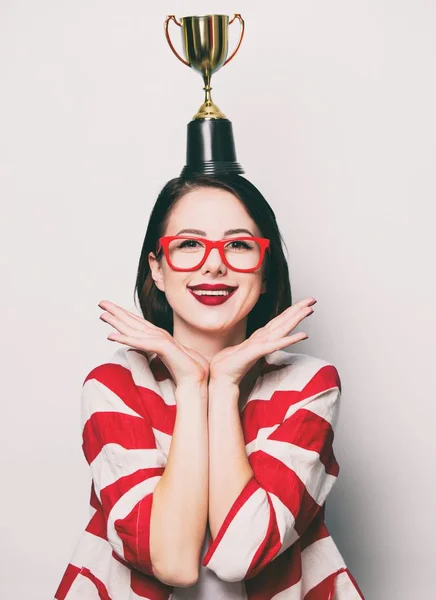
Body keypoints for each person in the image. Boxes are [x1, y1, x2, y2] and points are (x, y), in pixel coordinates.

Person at [54, 174, 365, 599]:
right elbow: (170, 559)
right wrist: (189, 383)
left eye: (238, 245)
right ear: (157, 269)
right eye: (189, 244)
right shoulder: (116, 384)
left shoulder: (308, 385)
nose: (213, 264)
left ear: (266, 270)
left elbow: (244, 552)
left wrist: (221, 385)